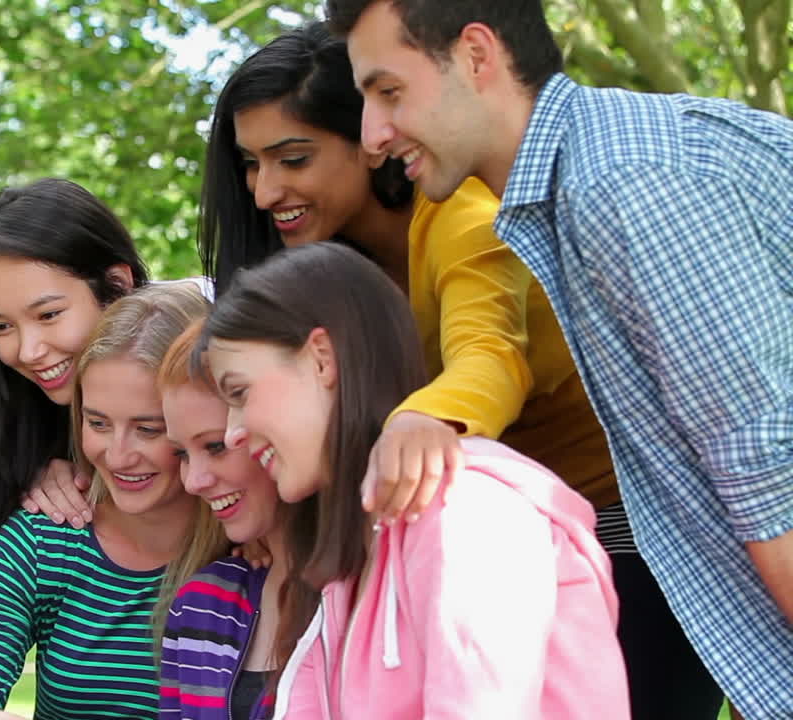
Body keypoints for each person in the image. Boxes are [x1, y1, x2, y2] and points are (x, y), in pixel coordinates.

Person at [197, 24, 693, 713]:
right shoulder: (321, 281)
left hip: (622, 518)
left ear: (371, 142)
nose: (264, 190)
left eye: (293, 158)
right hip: (432, 527)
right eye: (251, 164)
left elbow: (489, 355)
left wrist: (422, 419)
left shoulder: (460, 213)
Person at [327, 0, 793, 716]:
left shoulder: (623, 182)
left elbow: (770, 479)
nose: (373, 135)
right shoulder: (581, 180)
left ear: (477, 56)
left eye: (389, 91)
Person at [200, 242, 629, 719]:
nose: (233, 431)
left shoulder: (464, 508)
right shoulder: (353, 558)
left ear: (321, 358)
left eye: (239, 392)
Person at [0, 283, 220, 720]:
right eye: (97, 423)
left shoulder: (250, 547)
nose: (116, 456)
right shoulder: (43, 543)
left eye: (148, 429)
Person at [0, 177, 151, 604]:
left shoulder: (208, 372)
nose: (30, 350)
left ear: (117, 286)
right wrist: (31, 471)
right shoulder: (26, 445)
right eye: (1, 326)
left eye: (49, 314)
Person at [156, 319, 316, 720]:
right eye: (181, 454)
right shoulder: (201, 602)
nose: (194, 481)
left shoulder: (363, 594)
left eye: (216, 446)